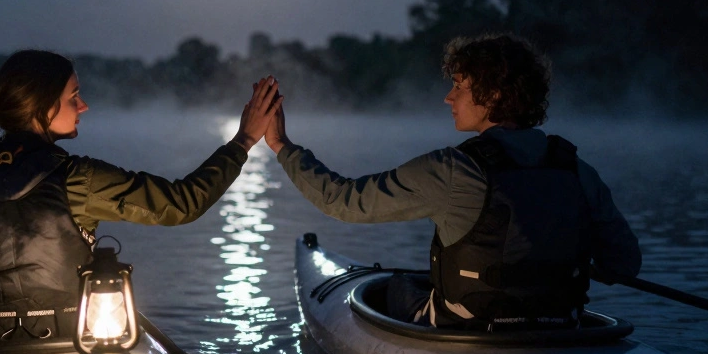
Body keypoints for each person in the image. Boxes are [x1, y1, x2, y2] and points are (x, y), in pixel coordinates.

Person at [0, 49, 282, 343]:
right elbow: (182, 204)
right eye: (74, 96)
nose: (84, 106)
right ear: (42, 106)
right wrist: (244, 140)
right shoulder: (79, 178)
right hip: (66, 341)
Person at [263, 34, 640, 329]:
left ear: (492, 94)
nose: (448, 97)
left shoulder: (452, 169)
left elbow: (342, 201)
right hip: (562, 325)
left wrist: (281, 145)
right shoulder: (577, 170)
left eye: (459, 85)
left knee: (395, 287)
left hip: (470, 330)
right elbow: (623, 264)